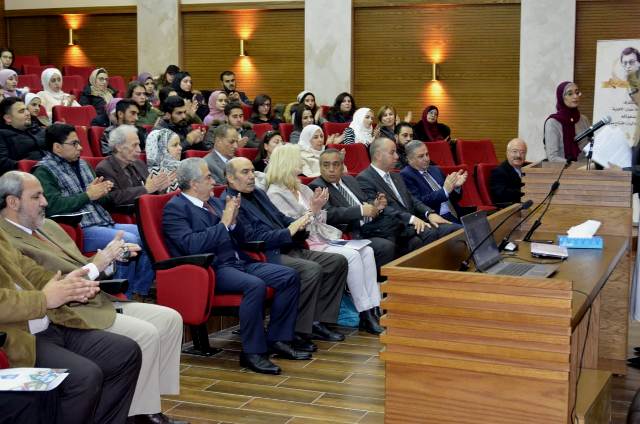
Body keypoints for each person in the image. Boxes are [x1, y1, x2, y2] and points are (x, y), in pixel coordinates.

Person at [0, 170, 186, 424]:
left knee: (170, 319)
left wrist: (109, 260)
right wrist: (97, 265)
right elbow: (49, 283)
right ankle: (140, 412)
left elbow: (74, 267)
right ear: (13, 202)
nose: (45, 202)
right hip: (66, 311)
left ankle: (148, 404)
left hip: (85, 298)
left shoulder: (50, 226)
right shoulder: (9, 236)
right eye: (37, 196)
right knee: (144, 335)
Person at [163, 158, 309, 374]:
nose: (214, 181)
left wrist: (234, 220)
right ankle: (253, 353)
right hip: (210, 269)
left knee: (288, 276)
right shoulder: (175, 209)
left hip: (239, 261)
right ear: (194, 184)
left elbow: (242, 237)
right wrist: (224, 223)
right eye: (208, 177)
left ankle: (279, 339)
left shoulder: (217, 203)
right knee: (255, 285)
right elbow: (191, 246)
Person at [0, 230, 141, 423]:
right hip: (15, 338)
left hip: (49, 322)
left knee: (125, 352)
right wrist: (44, 299)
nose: (44, 202)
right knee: (84, 377)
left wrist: (68, 285)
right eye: (37, 196)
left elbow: (31, 272)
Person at [225, 157, 348, 348]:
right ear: (230, 179)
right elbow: (251, 238)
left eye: (251, 171)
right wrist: (289, 231)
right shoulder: (231, 202)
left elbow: (281, 218)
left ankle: (317, 322)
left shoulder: (258, 193)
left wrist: (305, 218)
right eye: (245, 172)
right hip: (265, 255)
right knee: (311, 269)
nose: (251, 176)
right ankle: (298, 330)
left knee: (337, 262)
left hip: (288, 246)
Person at [266, 145, 382, 334]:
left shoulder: (302, 188)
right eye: (298, 159)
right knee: (351, 257)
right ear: (287, 163)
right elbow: (294, 225)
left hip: (322, 236)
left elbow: (322, 217)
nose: (302, 163)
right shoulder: (275, 193)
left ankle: (373, 309)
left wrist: (316, 211)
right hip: (305, 243)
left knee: (367, 251)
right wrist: (313, 211)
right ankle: (364, 313)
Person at [33, 123, 155, 299]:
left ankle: (139, 291)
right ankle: (121, 296)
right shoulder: (43, 171)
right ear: (57, 147)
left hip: (105, 221)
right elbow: (52, 206)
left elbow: (102, 200)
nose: (80, 148)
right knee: (127, 241)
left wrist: (103, 192)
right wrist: (88, 195)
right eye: (74, 144)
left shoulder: (83, 164)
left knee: (148, 233)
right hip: (80, 229)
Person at [357, 137, 461, 253]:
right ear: (378, 155)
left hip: (413, 223)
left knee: (458, 230)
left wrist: (429, 213)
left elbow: (412, 200)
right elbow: (380, 209)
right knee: (430, 234)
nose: (397, 156)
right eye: (392, 152)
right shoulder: (364, 179)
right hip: (393, 227)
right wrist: (411, 218)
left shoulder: (396, 176)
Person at [309, 148, 397, 272]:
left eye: (336, 164)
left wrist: (375, 205)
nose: (331, 169)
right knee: (386, 246)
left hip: (371, 226)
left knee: (401, 229)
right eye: (326, 165)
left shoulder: (349, 180)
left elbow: (364, 201)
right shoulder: (317, 187)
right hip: (351, 234)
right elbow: (329, 214)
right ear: (320, 167)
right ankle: (380, 283)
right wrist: (360, 210)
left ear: (342, 166)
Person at [96, 124, 173, 206]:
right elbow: (114, 197)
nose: (139, 150)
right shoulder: (104, 169)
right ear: (119, 147)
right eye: (134, 145)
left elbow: (151, 189)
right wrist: (145, 189)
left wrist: (159, 189)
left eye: (139, 145)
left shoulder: (139, 163)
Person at [400, 140, 467, 224]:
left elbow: (455, 199)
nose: (427, 159)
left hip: (456, 214)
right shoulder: (405, 175)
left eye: (427, 154)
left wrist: (456, 187)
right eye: (421, 156)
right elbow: (419, 203)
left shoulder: (435, 169)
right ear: (409, 159)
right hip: (435, 218)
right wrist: (444, 191)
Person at [544, 81, 591, 162]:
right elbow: (552, 157)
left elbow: (590, 148)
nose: (575, 96)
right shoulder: (552, 123)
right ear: (561, 97)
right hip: (563, 171)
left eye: (577, 92)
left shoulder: (584, 119)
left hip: (585, 171)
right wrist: (572, 166)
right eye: (570, 94)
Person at [0, 97, 46, 176]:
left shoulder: (38, 129)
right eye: (21, 111)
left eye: (26, 109)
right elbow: (2, 162)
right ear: (8, 118)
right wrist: (27, 165)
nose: (28, 113)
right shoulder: (2, 135)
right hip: (29, 175)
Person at [490, 138, 528, 206]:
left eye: (522, 152)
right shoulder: (499, 172)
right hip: (511, 210)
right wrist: (528, 193)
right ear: (507, 153)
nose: (518, 155)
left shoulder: (528, 169)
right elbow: (502, 195)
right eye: (514, 151)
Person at [146, 128, 182, 193]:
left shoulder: (180, 166)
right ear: (161, 149)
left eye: (179, 144)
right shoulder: (155, 174)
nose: (180, 148)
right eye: (175, 145)